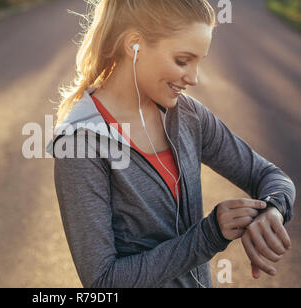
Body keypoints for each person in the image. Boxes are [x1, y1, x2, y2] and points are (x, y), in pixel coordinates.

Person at [46, 0, 296, 288]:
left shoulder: (188, 115)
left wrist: (271, 210)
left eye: (198, 61)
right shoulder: (81, 143)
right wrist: (209, 235)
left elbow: (269, 176)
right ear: (134, 45)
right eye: (182, 61)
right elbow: (104, 281)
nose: (193, 78)